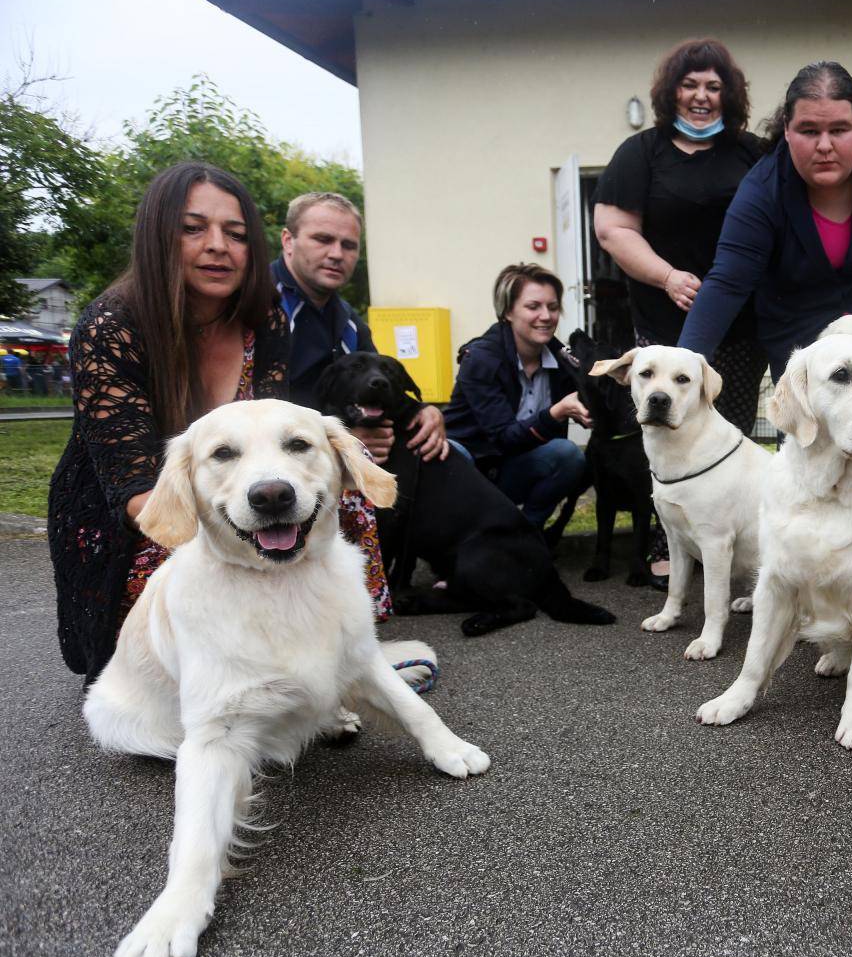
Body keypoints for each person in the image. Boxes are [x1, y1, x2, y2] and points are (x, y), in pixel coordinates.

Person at [47, 161, 391, 684]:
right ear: (158, 237)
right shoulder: (110, 326)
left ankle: (337, 660)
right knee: (185, 572)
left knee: (344, 505)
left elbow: (269, 430)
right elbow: (137, 493)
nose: (218, 246)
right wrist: (238, 526)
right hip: (142, 515)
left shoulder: (265, 317)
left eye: (235, 234)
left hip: (238, 489)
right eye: (193, 228)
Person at [677, 60, 852, 377]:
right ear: (788, 130)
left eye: (839, 130)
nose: (824, 146)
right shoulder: (762, 190)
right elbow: (727, 283)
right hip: (799, 354)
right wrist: (681, 366)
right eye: (809, 131)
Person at [593, 38, 767, 435]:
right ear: (672, 91)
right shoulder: (640, 152)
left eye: (713, 87)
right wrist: (667, 278)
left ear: (729, 96)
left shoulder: (752, 153)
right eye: (690, 85)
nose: (700, 96)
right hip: (662, 326)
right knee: (664, 428)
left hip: (739, 330)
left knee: (728, 432)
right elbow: (613, 230)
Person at [274, 191, 447, 463]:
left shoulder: (350, 321)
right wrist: (338, 439)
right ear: (288, 241)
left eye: (349, 245)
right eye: (323, 239)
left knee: (449, 453)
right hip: (276, 466)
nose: (336, 254)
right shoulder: (257, 304)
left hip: (339, 456)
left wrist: (424, 412)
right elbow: (246, 408)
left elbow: (380, 389)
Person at [443, 263, 591, 529]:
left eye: (553, 307)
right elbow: (503, 437)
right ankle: (459, 543)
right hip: (472, 470)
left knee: (568, 455)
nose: (546, 316)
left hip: (513, 469)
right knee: (450, 454)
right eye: (533, 307)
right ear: (508, 311)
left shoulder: (562, 359)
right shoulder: (481, 358)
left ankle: (526, 533)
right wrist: (557, 412)